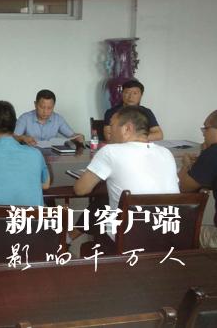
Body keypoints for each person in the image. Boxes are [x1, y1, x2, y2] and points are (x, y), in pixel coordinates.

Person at [71, 106, 179, 253]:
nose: (109, 131)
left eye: (112, 126)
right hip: (168, 239)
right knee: (104, 204)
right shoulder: (166, 153)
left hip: (127, 241)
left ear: (127, 128)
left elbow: (80, 189)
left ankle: (68, 242)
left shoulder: (110, 151)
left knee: (102, 210)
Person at [178, 109, 217, 249]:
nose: (203, 133)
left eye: (206, 128)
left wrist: (186, 165)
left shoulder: (213, 153)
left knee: (180, 232)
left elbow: (183, 187)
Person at [14, 89, 84, 146]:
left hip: (51, 156)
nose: (45, 111)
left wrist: (78, 137)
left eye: (49, 108)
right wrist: (23, 138)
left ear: (54, 106)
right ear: (35, 104)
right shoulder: (25, 118)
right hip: (30, 154)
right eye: (42, 107)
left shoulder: (58, 119)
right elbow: (14, 138)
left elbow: (72, 136)